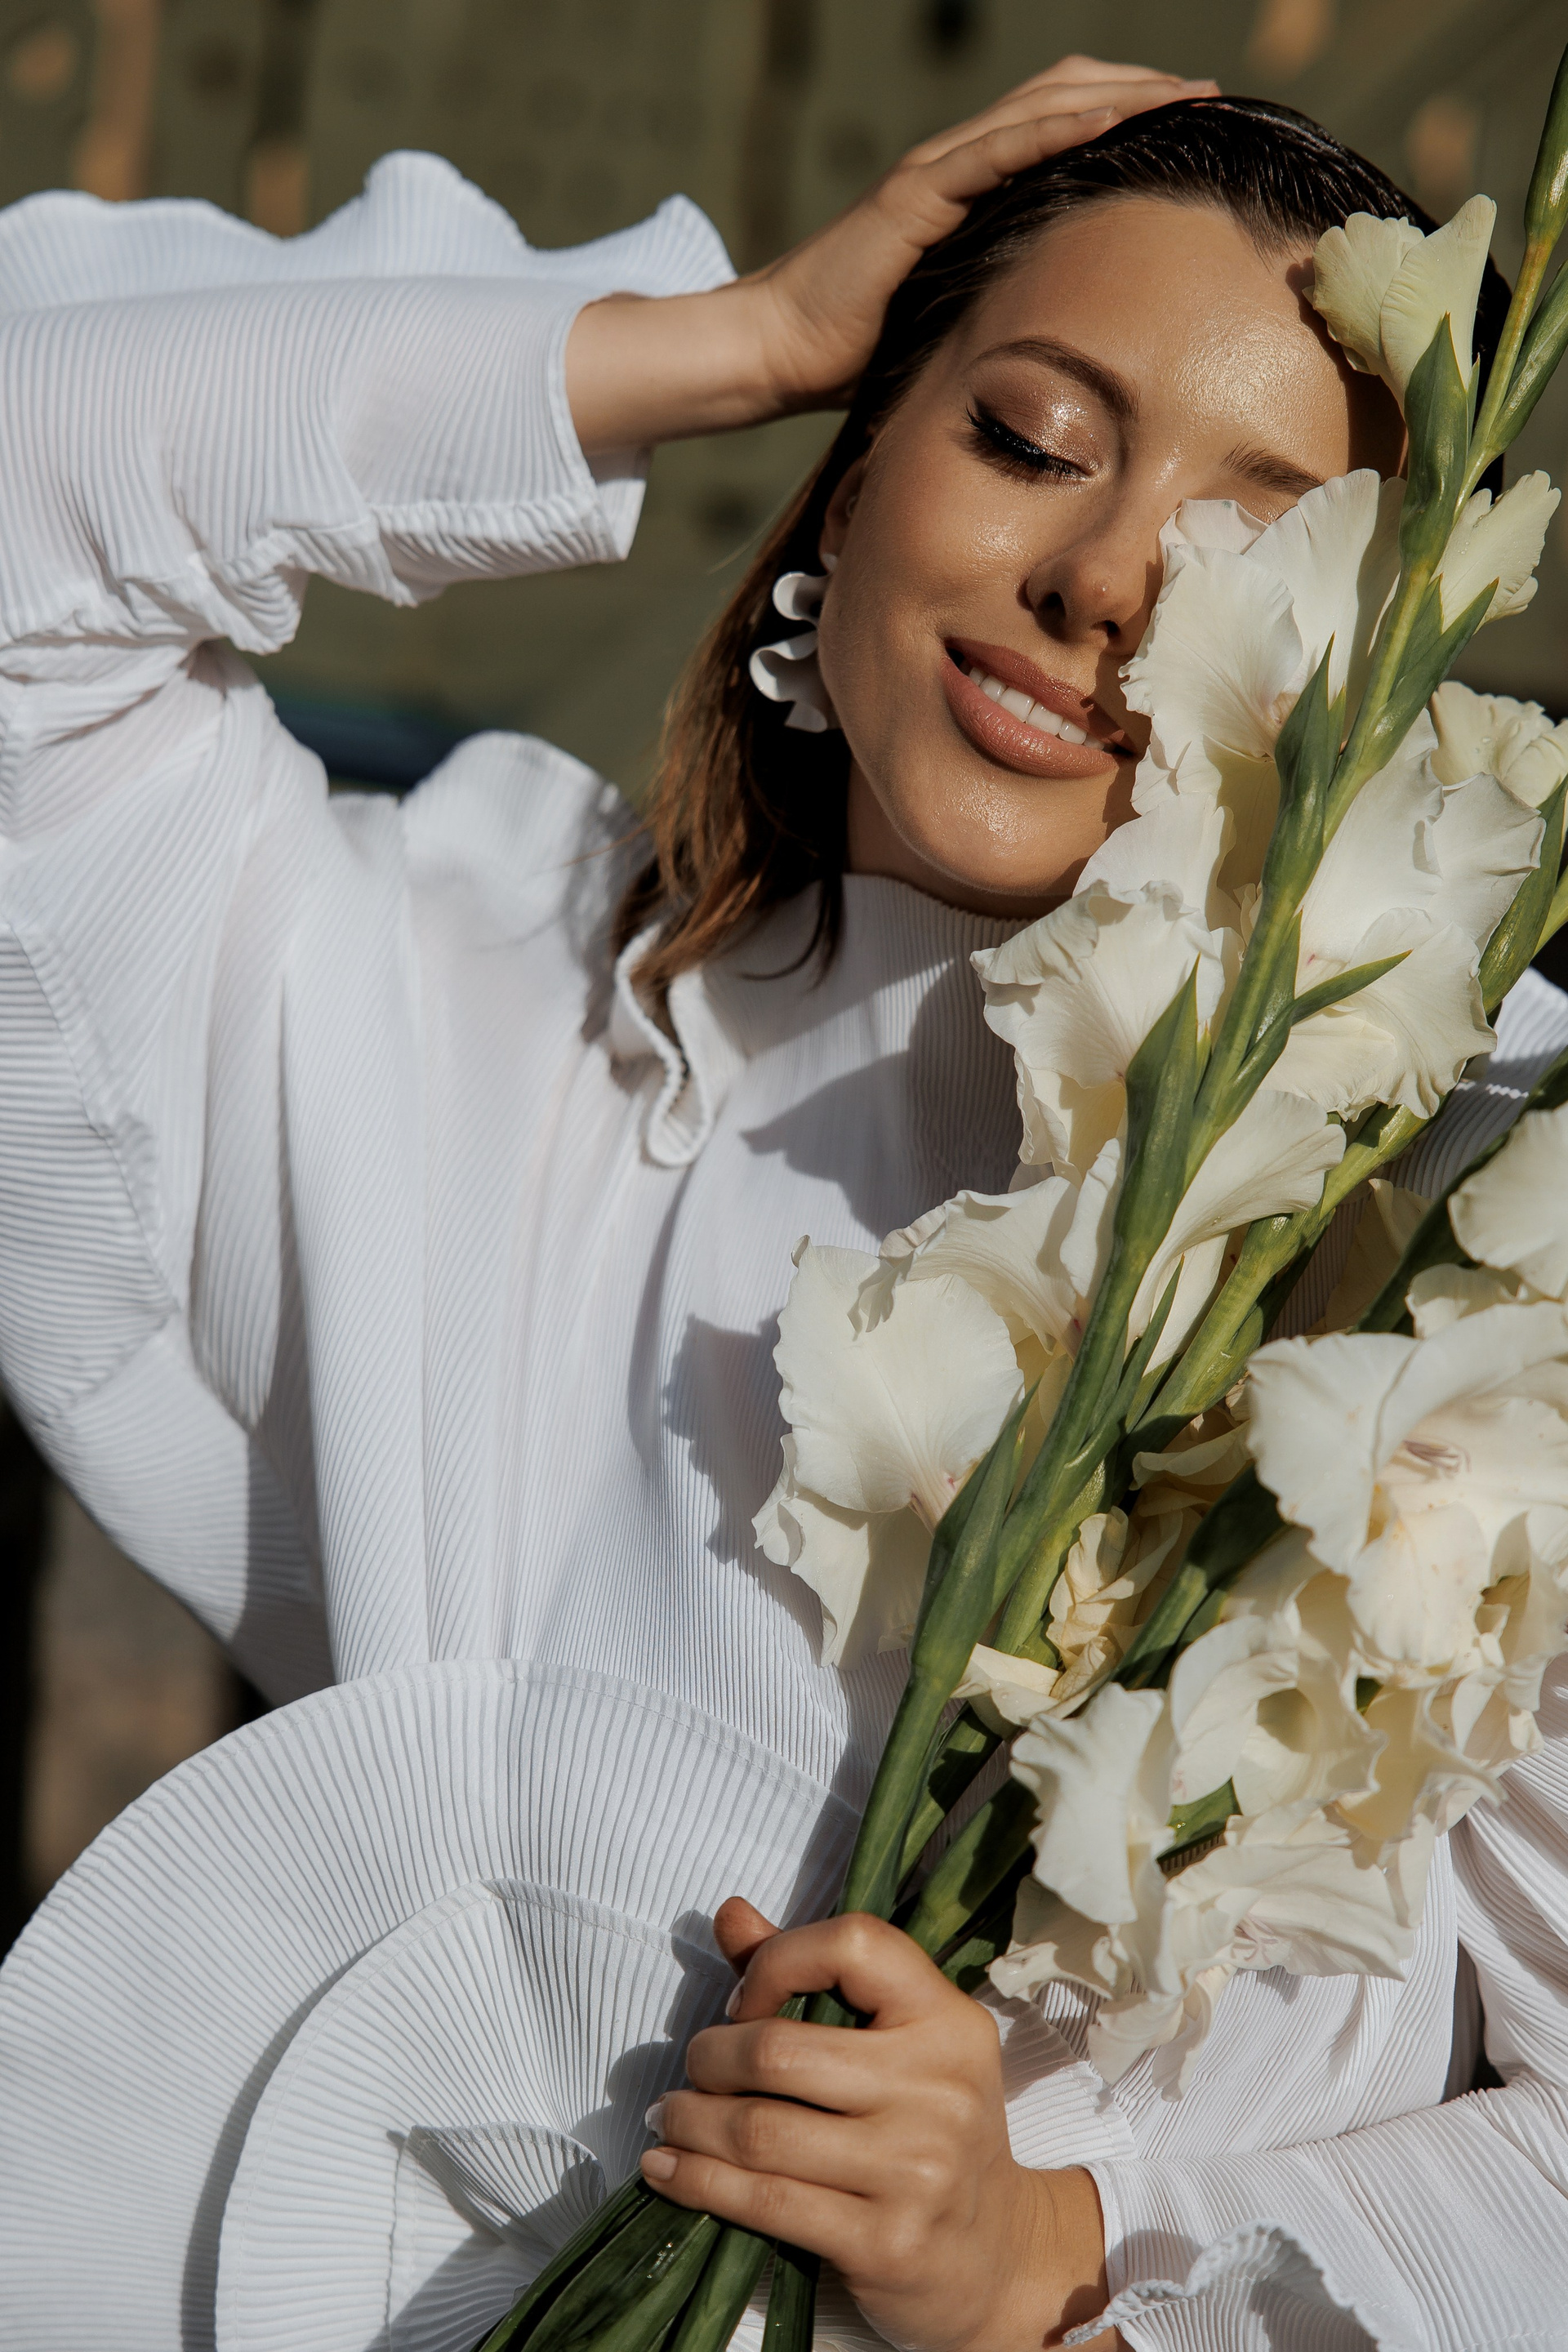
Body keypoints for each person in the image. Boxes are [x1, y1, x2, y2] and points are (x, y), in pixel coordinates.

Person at [0, 51, 1566, 2352]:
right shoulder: (476, 1008)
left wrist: (1053, 2252)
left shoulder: (1476, 1238)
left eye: (1257, 551)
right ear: (852, 466)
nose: (1104, 577)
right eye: (1026, 434)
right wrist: (716, 337)